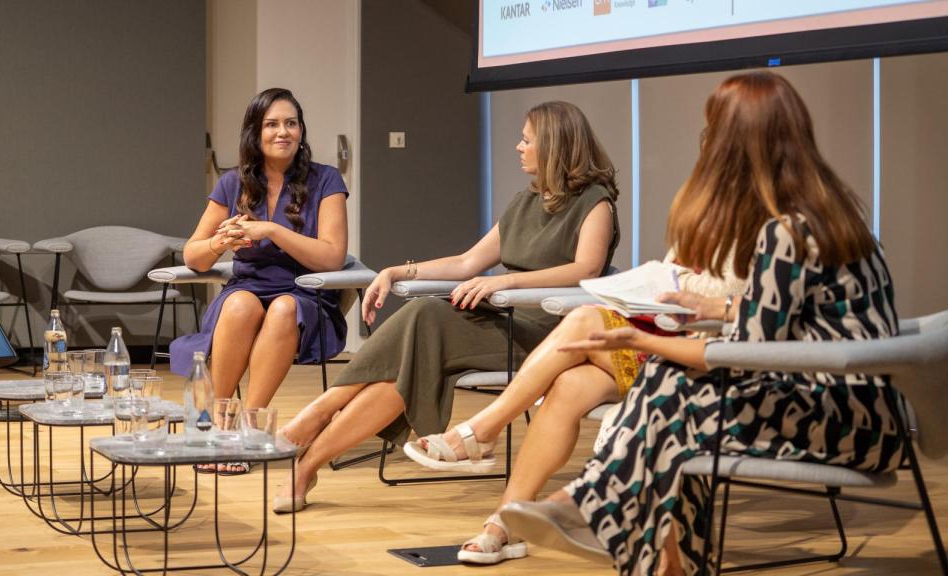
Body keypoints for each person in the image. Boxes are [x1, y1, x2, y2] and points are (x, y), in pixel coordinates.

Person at [500, 71, 903, 576]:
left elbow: (753, 355)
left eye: (712, 130)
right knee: (671, 391)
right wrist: (725, 310)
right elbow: (796, 323)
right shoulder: (833, 214)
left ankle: (597, 508)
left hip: (845, 426)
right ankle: (614, 523)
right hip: (857, 410)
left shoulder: (787, 233)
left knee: (672, 390)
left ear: (732, 145)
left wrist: (644, 338)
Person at [273, 101, 621, 513]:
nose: (518, 147)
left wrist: (507, 280)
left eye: (527, 140)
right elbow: (466, 262)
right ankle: (307, 464)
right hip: (501, 319)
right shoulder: (524, 202)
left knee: (427, 315)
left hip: (548, 332)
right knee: (410, 362)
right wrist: (397, 272)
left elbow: (586, 268)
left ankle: (319, 415)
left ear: (554, 145)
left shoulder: (595, 202)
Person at [400, 257, 744, 565]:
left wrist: (672, 279)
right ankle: (505, 520)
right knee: (569, 385)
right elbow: (671, 279)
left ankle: (483, 433)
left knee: (583, 319)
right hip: (669, 344)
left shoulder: (766, 228)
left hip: (708, 357)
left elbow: (728, 294)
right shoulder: (706, 218)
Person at [172, 88, 349, 474]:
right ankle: (219, 424)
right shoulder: (233, 183)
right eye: (272, 124)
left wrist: (271, 229)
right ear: (255, 131)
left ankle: (250, 428)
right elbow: (193, 254)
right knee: (239, 303)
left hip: (305, 296)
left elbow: (333, 255)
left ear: (301, 131)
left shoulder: (327, 180)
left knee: (284, 308)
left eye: (291, 123)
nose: (282, 132)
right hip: (247, 290)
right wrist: (221, 241)